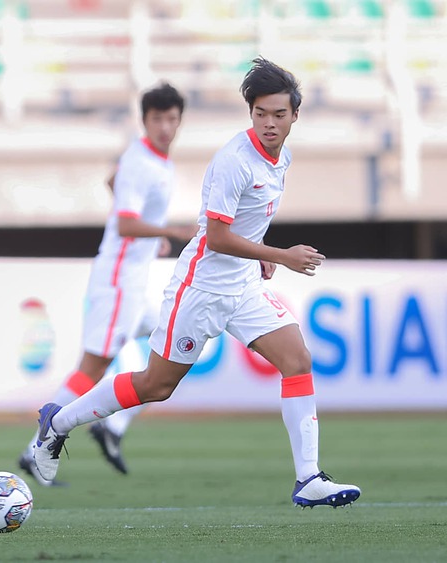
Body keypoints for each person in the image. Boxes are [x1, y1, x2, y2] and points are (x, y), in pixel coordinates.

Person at [32, 58, 362, 508]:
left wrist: (261, 255)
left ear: (295, 116)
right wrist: (279, 256)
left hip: (243, 286)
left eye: (278, 115)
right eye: (261, 114)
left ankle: (308, 478)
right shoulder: (234, 161)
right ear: (250, 113)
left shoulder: (282, 156)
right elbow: (219, 236)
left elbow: (247, 223)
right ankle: (58, 423)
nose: (269, 123)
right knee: (155, 385)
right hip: (201, 289)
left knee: (297, 358)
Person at [17, 83, 194, 486]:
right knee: (92, 368)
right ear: (144, 120)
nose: (165, 127)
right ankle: (36, 449)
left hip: (135, 281)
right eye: (157, 119)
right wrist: (170, 230)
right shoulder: (143, 162)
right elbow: (126, 222)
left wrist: (155, 236)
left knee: (188, 333)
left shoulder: (152, 160)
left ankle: (112, 427)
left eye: (172, 119)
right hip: (118, 282)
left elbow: (112, 184)